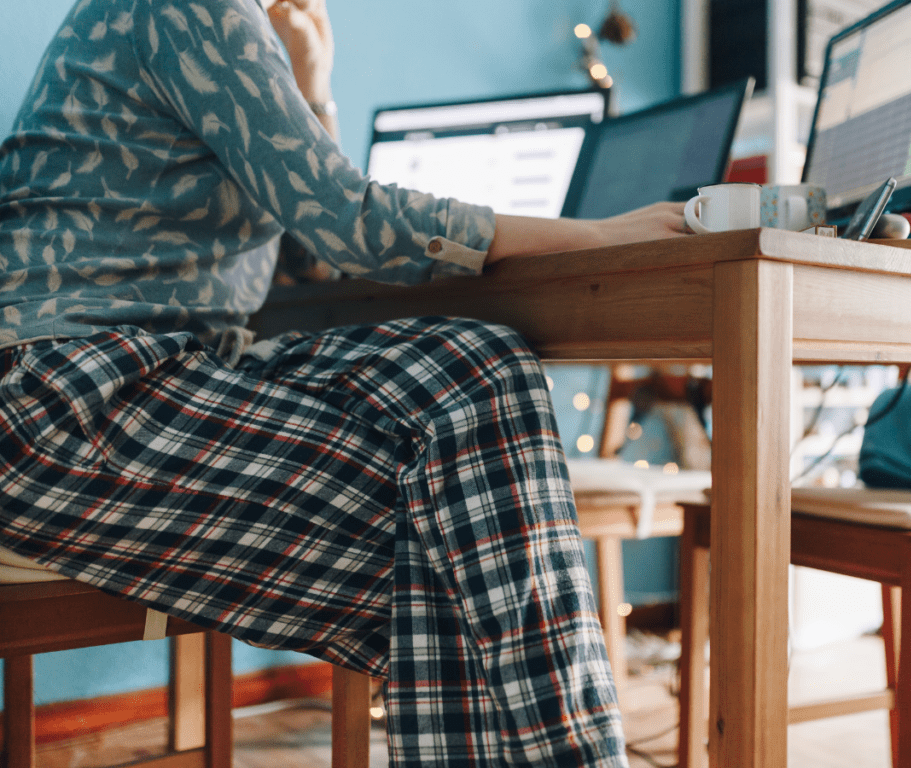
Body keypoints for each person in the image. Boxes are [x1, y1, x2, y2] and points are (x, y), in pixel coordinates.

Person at [0, 1, 690, 766]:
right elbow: (345, 225)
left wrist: (312, 85)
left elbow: (310, 256)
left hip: (167, 380)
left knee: (473, 375)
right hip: (61, 396)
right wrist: (600, 234)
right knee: (454, 524)